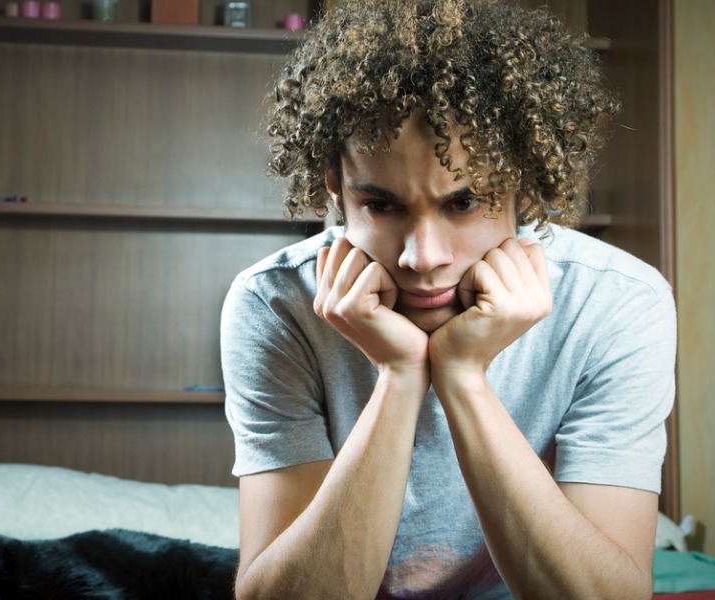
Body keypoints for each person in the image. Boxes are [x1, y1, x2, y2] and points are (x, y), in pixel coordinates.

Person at [220, 0, 676, 598]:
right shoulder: (276, 305)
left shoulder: (618, 302)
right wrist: (399, 373)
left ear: (526, 186)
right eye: (381, 205)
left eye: (463, 203)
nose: (422, 257)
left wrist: (463, 378)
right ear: (335, 187)